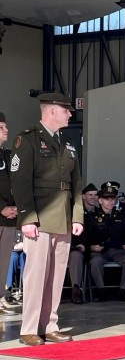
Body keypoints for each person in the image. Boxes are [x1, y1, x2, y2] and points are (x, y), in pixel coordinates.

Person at [10, 92, 83, 346]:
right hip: (39, 218)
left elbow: (76, 185)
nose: (70, 114)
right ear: (51, 111)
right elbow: (20, 183)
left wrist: (77, 216)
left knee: (55, 277)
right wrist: (27, 218)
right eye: (66, 110)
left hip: (62, 218)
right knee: (36, 275)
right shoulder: (27, 140)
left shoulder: (68, 143)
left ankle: (50, 325)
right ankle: (29, 328)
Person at [84, 183, 125, 302]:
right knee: (95, 261)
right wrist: (91, 247)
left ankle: (123, 290)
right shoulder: (92, 217)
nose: (110, 202)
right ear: (100, 201)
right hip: (100, 251)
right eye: (107, 199)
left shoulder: (122, 216)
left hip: (118, 251)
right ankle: (100, 290)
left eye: (113, 199)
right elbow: (86, 237)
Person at [67, 182, 98, 304]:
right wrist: (76, 246)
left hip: (94, 250)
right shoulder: (75, 213)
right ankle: (76, 290)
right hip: (77, 249)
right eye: (90, 194)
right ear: (83, 197)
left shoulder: (99, 213)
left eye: (95, 195)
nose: (93, 197)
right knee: (75, 255)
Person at [0, 112, 18, 316]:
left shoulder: (8, 154)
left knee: (3, 260)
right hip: (1, 213)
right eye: (1, 126)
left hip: (9, 218)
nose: (6, 129)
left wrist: (14, 207)